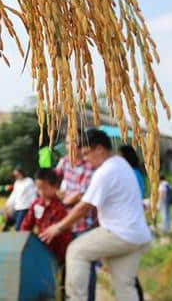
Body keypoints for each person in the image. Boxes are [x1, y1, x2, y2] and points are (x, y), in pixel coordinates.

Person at [41, 129, 152, 301]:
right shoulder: (121, 164)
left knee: (76, 251)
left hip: (119, 233)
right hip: (138, 235)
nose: (84, 158)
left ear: (99, 149)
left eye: (86, 153)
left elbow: (84, 206)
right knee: (125, 286)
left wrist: (59, 227)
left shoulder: (105, 171)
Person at [55, 135, 98, 301]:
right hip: (66, 223)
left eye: (73, 142)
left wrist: (65, 199)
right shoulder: (65, 162)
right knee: (68, 267)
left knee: (86, 268)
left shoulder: (90, 167)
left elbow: (83, 195)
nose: (69, 146)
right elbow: (54, 182)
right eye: (67, 142)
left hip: (84, 224)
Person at [20, 169, 72, 264]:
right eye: (38, 188)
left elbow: (63, 235)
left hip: (60, 252)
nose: (41, 192)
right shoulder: (36, 204)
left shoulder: (61, 208)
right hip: (41, 248)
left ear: (55, 187)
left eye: (44, 188)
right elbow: (26, 225)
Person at [119, 144, 148, 301]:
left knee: (127, 271)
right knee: (127, 271)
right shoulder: (135, 173)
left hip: (130, 225)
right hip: (132, 223)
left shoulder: (132, 174)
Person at [3, 167, 37, 231]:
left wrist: (33, 206)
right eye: (15, 175)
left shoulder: (29, 181)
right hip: (17, 208)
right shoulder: (17, 183)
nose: (16, 176)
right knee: (12, 224)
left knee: (18, 227)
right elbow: (14, 195)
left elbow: (33, 194)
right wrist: (7, 204)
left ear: (21, 173)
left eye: (17, 174)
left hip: (26, 207)